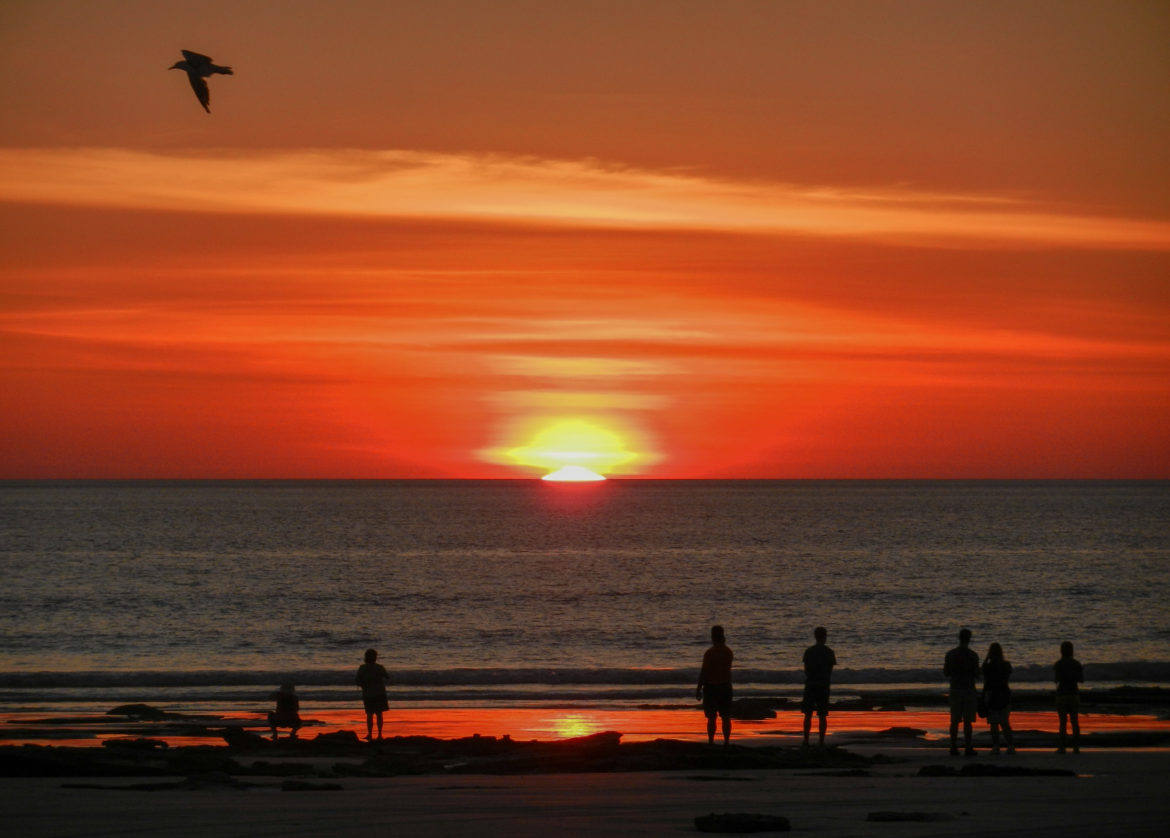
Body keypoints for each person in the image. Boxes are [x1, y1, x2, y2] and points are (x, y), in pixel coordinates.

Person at [944, 628, 981, 756]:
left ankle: (953, 747)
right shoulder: (973, 655)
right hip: (969, 689)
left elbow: (946, 673)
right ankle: (968, 747)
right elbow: (977, 674)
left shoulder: (950, 654)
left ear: (959, 638)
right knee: (967, 721)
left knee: (954, 720)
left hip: (955, 688)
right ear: (969, 639)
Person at [696, 625, 734, 745]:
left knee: (712, 718)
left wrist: (698, 688)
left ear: (712, 637)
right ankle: (726, 742)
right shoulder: (728, 652)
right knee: (726, 717)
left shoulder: (710, 653)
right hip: (726, 686)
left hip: (711, 687)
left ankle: (711, 741)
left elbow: (704, 671)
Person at [801, 626, 837, 747]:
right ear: (825, 637)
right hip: (823, 685)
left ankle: (806, 740)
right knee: (822, 714)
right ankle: (821, 741)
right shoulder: (829, 652)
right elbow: (830, 671)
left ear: (815, 637)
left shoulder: (809, 651)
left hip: (811, 684)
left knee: (808, 714)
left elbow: (806, 669)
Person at [981, 643, 1015, 755]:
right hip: (1004, 693)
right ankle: (1010, 746)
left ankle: (996, 746)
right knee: (1005, 722)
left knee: (994, 723)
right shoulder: (1006, 665)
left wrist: (986, 658)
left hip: (991, 695)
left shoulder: (988, 667)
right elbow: (1008, 675)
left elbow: (982, 670)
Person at [1054, 640, 1084, 754]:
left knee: (1062, 722)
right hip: (1073, 693)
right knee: (1075, 721)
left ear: (1061, 651)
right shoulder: (1076, 664)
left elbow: (1056, 680)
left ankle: (1062, 747)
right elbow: (1081, 680)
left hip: (1062, 693)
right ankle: (1076, 747)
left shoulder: (1058, 664)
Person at [355, 648, 390, 741]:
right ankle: (379, 735)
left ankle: (370, 734)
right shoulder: (379, 667)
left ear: (366, 657)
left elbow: (357, 681)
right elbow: (387, 676)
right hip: (380, 693)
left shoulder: (362, 668)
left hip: (368, 693)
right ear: (375, 657)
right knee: (379, 714)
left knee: (369, 714)